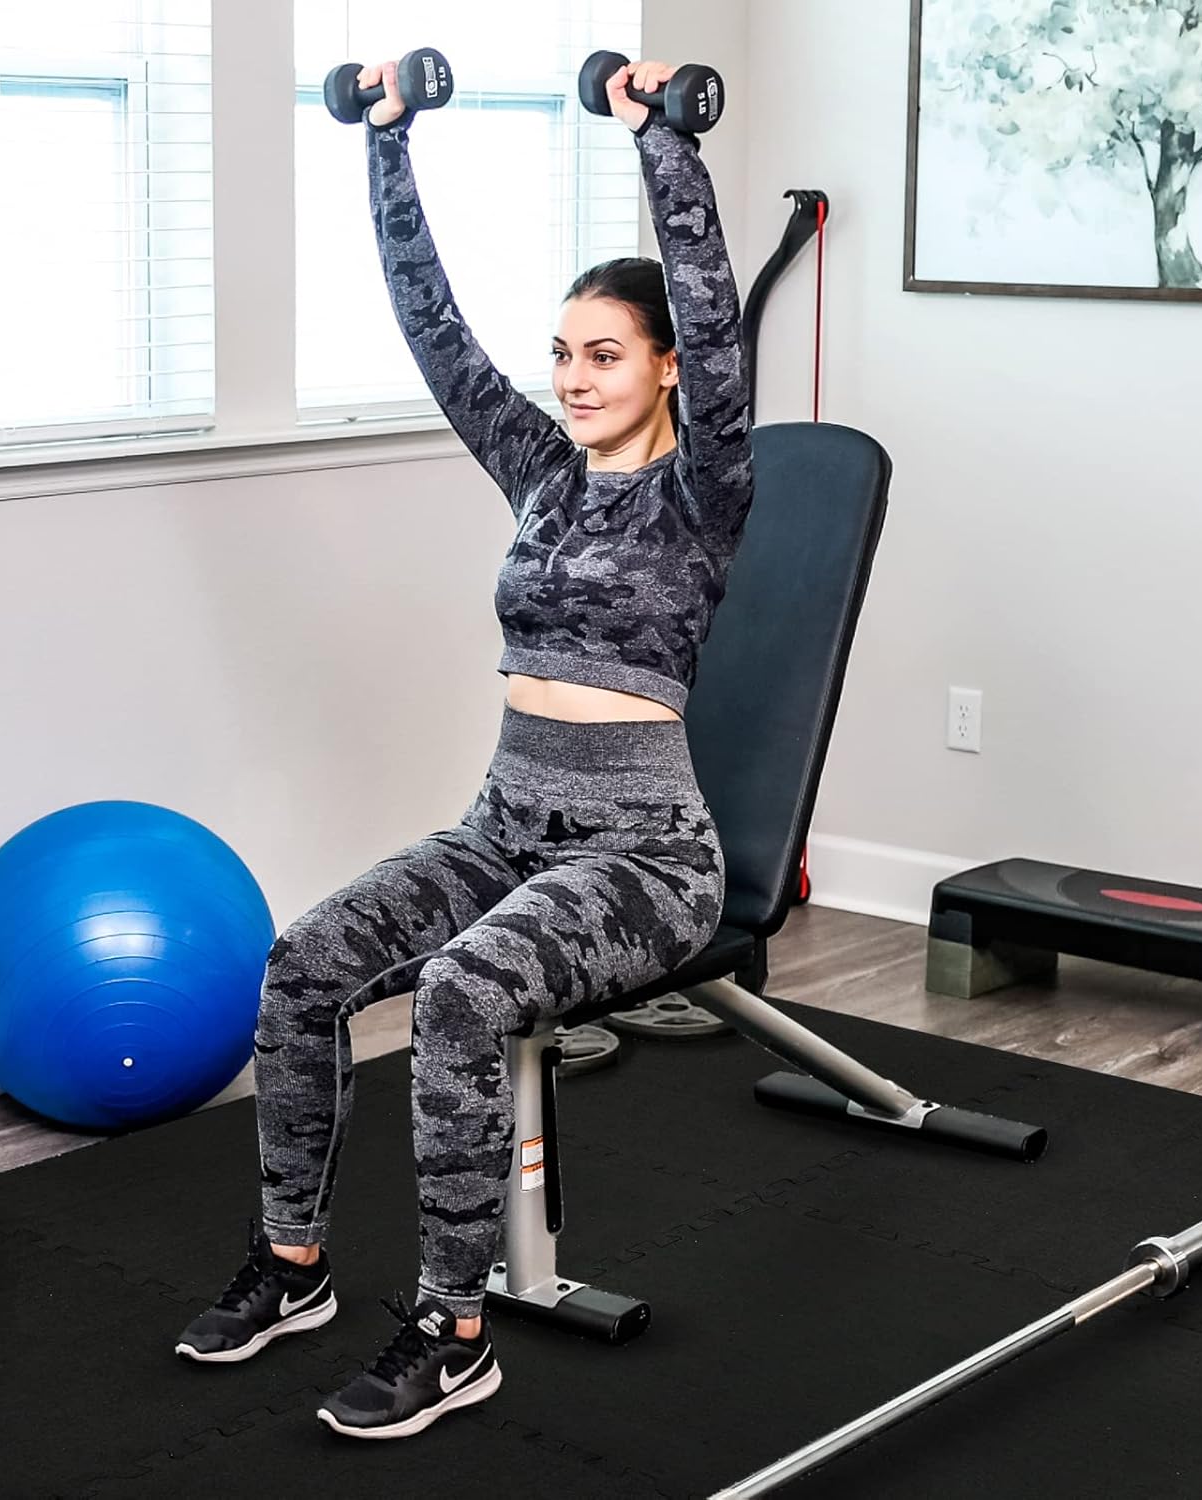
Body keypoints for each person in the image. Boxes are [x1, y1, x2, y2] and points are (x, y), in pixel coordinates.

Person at [175, 56, 752, 1442]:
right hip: (505, 825)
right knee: (306, 961)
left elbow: (720, 316)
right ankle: (296, 1268)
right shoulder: (543, 475)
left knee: (464, 991)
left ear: (667, 366)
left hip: (643, 855)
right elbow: (434, 331)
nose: (571, 378)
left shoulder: (704, 486)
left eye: (603, 353)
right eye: (562, 354)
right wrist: (389, 141)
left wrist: (661, 143)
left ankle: (455, 1328)